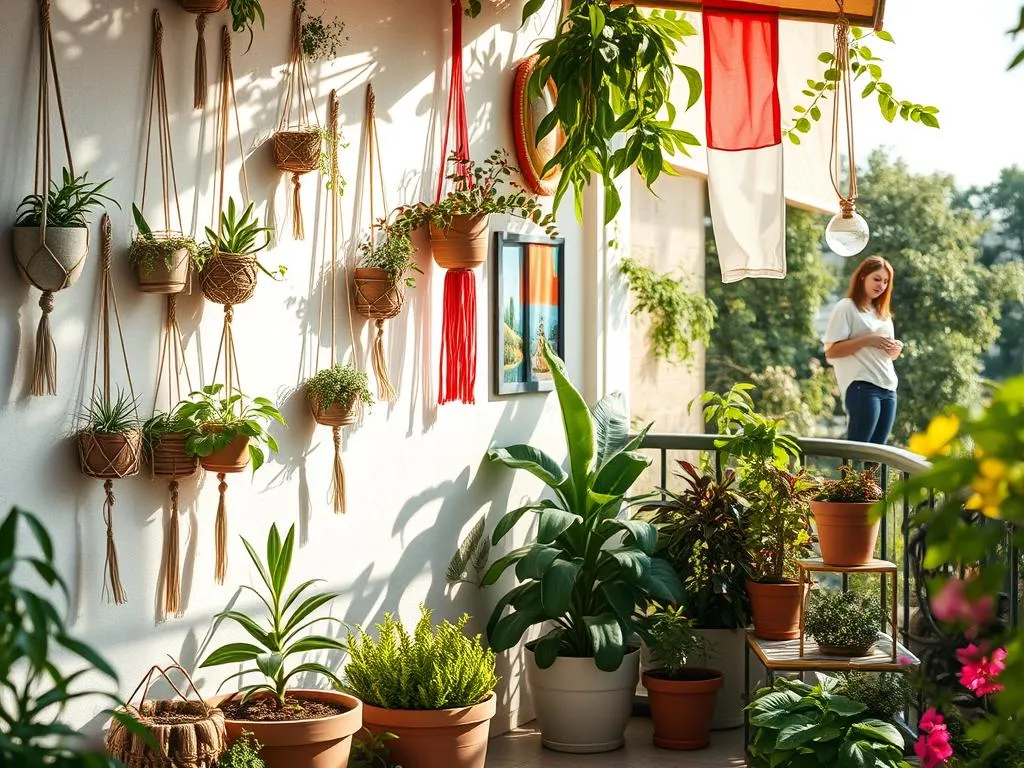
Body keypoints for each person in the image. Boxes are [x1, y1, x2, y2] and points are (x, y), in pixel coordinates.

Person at [823, 255, 904, 444]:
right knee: (857, 450)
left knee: (877, 456)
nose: (881, 285)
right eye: (877, 279)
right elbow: (831, 352)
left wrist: (895, 349)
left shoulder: (883, 314)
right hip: (862, 386)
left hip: (889, 388)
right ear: (862, 277)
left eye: (886, 281)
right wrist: (868, 340)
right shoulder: (846, 307)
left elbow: (887, 355)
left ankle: (870, 475)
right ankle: (846, 476)